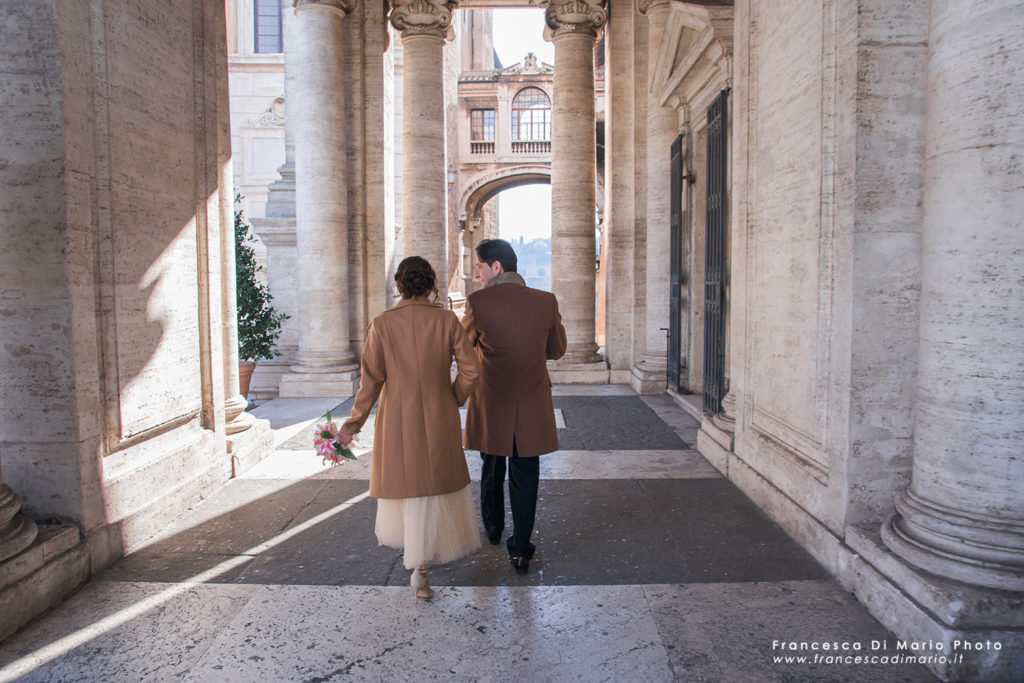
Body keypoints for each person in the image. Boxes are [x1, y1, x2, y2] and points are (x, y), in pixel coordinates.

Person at [338, 256, 480, 599]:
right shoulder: (447, 320)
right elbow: (472, 371)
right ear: (431, 284)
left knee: (409, 485)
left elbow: (369, 384)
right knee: (433, 486)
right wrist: (452, 397)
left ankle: (417, 566)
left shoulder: (382, 325)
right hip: (439, 413)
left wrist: (351, 426)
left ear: (399, 285)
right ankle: (423, 569)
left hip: (398, 417)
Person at [462, 238, 567, 574]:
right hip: (531, 402)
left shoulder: (477, 302)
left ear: (497, 267)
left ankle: (493, 529)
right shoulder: (545, 301)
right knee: (526, 473)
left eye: (479, 265)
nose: (476, 272)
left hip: (492, 400)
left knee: (491, 468)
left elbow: (462, 349)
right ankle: (521, 549)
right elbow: (557, 349)